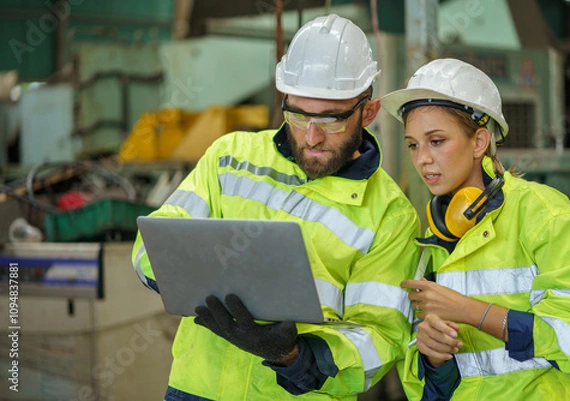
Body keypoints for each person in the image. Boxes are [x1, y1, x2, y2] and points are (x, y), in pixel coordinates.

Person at [132, 14, 420, 401]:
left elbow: (382, 337)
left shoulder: (390, 215)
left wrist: (294, 357)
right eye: (298, 116)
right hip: (195, 391)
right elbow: (154, 244)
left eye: (331, 120)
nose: (312, 137)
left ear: (368, 113)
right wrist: (179, 277)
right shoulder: (230, 157)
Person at [380, 58, 570, 400]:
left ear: (480, 141)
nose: (422, 158)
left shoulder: (544, 215)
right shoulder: (432, 242)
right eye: (413, 144)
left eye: (436, 141)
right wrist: (434, 359)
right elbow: (428, 390)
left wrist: (473, 312)